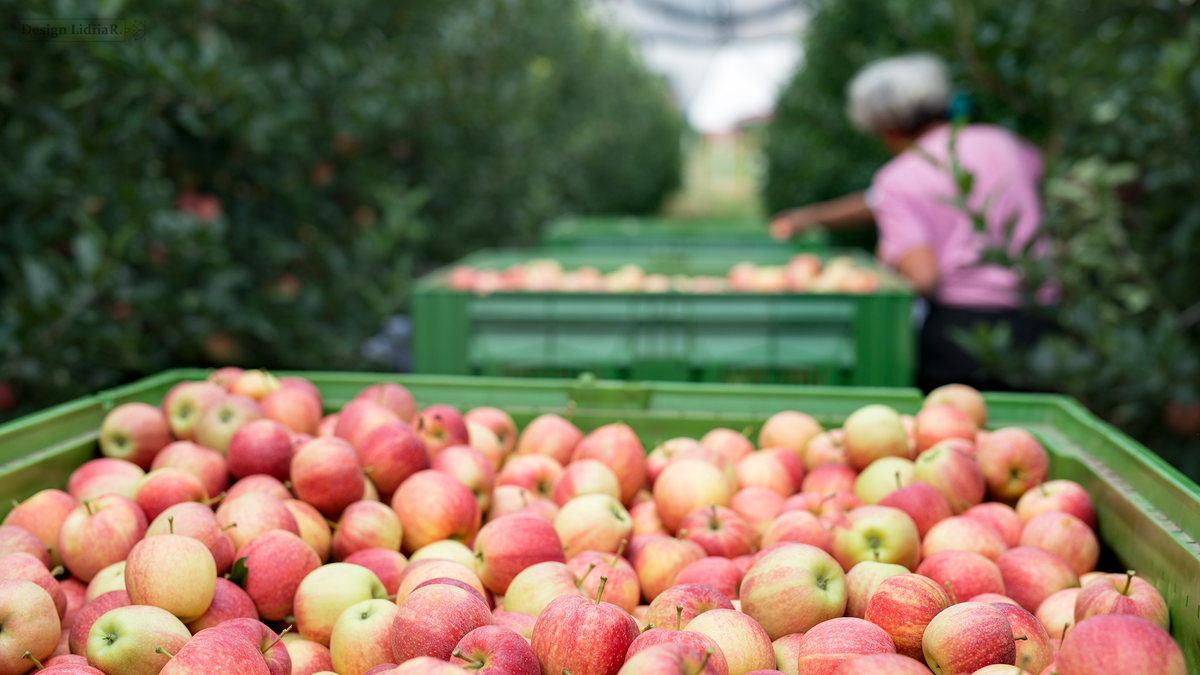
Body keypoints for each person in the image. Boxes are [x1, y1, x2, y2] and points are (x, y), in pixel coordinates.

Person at [770, 54, 1049, 392]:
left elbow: (923, 276)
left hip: (961, 337)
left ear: (886, 127)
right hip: (1042, 324)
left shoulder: (900, 177)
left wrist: (887, 261)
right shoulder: (1004, 144)